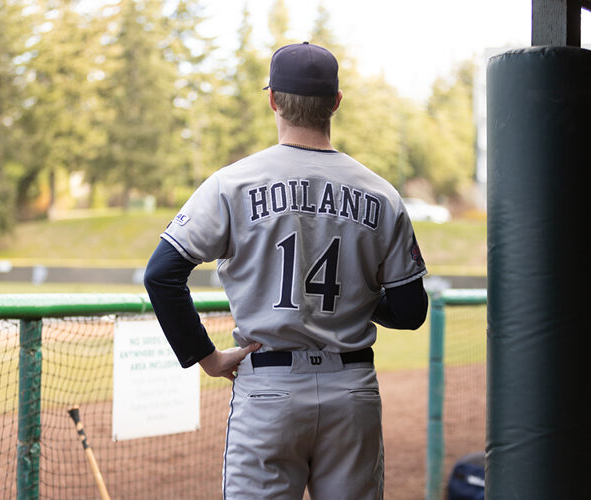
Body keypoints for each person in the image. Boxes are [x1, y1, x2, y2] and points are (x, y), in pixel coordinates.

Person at [144, 41, 428, 500]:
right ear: (335, 103)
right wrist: (356, 294)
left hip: (268, 389)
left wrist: (208, 357)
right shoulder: (382, 194)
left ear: (273, 99)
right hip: (352, 391)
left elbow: (161, 274)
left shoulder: (232, 183)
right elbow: (412, 310)